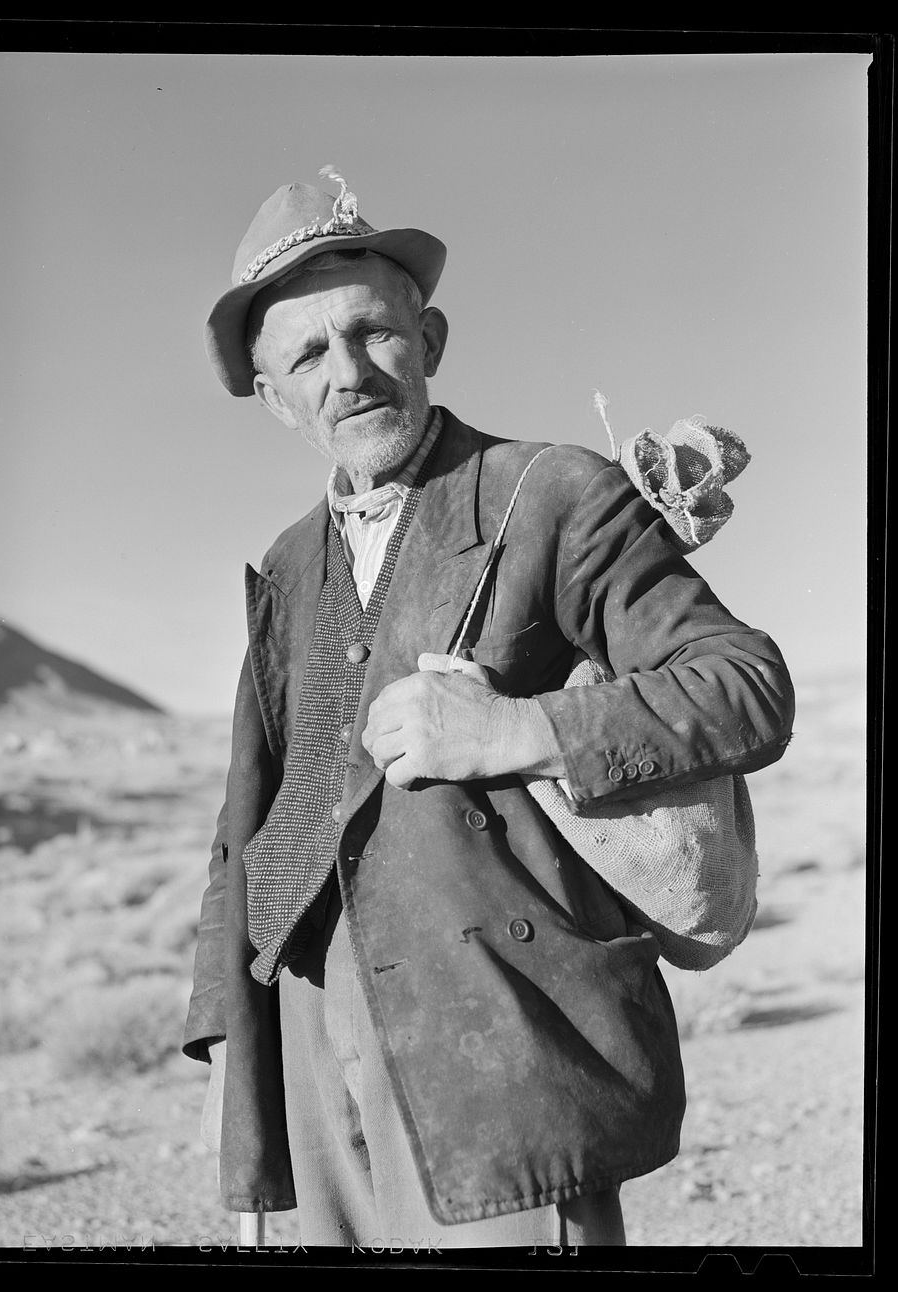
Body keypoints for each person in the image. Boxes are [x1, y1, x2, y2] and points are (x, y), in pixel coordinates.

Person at [184, 169, 795, 1248]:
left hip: (500, 1033)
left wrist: (519, 732)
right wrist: (233, 1039)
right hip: (306, 1027)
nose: (349, 374)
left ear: (429, 337)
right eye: (307, 356)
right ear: (276, 397)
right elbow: (248, 820)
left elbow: (745, 683)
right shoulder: (287, 564)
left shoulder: (550, 492)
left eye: (373, 333)